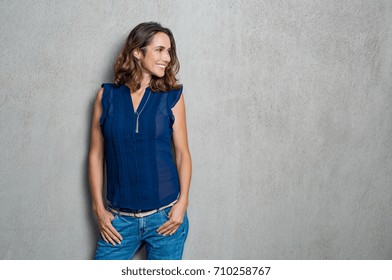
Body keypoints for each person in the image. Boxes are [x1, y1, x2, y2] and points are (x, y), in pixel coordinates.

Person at [88, 22, 192, 260]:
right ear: (137, 51)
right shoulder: (107, 96)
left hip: (165, 218)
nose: (167, 57)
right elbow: (96, 155)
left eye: (169, 51)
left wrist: (182, 204)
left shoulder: (172, 97)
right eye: (159, 50)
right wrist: (99, 211)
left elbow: (182, 154)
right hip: (119, 221)